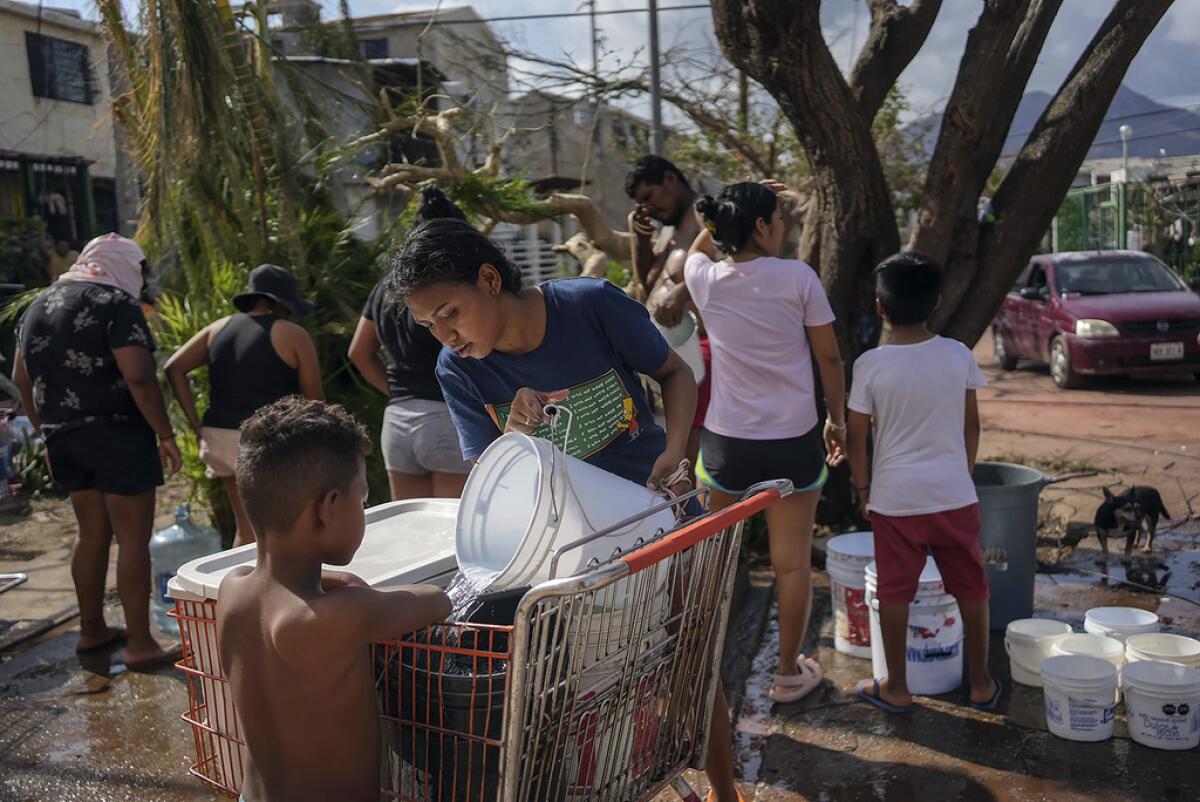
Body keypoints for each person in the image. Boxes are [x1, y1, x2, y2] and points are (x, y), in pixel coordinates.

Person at [388, 219, 748, 802]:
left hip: (652, 515)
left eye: (450, 312)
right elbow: (490, 477)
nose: (445, 335)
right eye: (430, 326)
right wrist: (515, 436)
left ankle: (726, 792)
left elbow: (675, 374)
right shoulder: (459, 370)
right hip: (566, 548)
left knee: (689, 662)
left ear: (489, 278)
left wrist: (676, 450)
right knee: (589, 686)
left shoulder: (589, 306)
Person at [216, 397, 451, 802]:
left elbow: (282, 584)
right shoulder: (334, 615)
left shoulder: (232, 589)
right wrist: (360, 591)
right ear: (329, 508)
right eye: (362, 500)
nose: (364, 510)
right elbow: (435, 600)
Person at [685, 181, 847, 705]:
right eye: (779, 217)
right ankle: (785, 675)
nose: (786, 225)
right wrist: (836, 420)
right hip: (793, 443)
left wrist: (725, 212)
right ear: (762, 227)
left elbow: (698, 246)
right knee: (792, 563)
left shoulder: (705, 279)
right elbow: (829, 359)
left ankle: (697, 670)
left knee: (709, 560)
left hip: (726, 446)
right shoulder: (798, 277)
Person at [13, 233, 182, 670]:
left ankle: (92, 631)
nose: (140, 279)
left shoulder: (38, 306)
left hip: (64, 437)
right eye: (139, 270)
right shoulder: (114, 303)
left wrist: (45, 429)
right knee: (131, 538)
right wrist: (165, 433)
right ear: (121, 264)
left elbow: (21, 377)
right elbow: (139, 378)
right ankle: (141, 643)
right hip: (119, 435)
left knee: (90, 534)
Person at [846, 252, 1000, 714]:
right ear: (937, 300)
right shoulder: (958, 355)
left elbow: (856, 437)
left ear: (880, 307)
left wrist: (863, 490)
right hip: (954, 493)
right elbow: (972, 426)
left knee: (895, 591)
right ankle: (980, 683)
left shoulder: (869, 365)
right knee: (970, 586)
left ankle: (895, 686)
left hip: (894, 499)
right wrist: (963, 472)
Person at [165, 264, 323, 546]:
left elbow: (173, 367)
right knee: (281, 531)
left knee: (247, 530)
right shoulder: (292, 333)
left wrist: (195, 423)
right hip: (267, 442)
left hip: (219, 437)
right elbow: (315, 400)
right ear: (279, 303)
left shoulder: (217, 328)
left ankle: (238, 590)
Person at [348, 187, 471, 500]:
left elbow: (358, 353)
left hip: (398, 423)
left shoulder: (386, 286)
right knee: (450, 535)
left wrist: (399, 393)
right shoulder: (448, 286)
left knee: (412, 535)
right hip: (445, 417)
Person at [625, 155, 710, 475]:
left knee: (687, 452)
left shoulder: (705, 219)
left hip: (699, 354)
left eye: (650, 197)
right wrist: (639, 239)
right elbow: (646, 287)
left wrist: (684, 290)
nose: (648, 208)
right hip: (664, 354)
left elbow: (729, 271)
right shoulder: (667, 232)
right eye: (640, 204)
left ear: (671, 180)